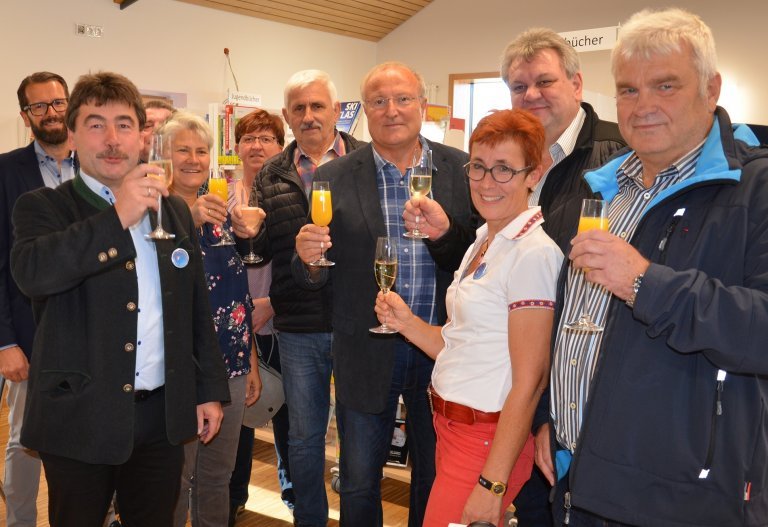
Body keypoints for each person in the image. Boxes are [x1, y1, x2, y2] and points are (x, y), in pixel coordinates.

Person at [542, 8, 768, 525]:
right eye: (627, 90)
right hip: (580, 479)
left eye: (665, 86)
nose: (642, 106)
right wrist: (551, 422)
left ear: (711, 89)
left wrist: (645, 283)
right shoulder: (606, 188)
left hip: (682, 500)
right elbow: (578, 324)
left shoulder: (756, 190)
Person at [10, 71, 230, 527]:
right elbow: (35, 274)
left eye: (124, 125)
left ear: (142, 136)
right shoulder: (43, 207)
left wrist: (207, 391)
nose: (112, 139)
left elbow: (194, 309)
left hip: (159, 419)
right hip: (78, 419)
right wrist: (117, 216)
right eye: (95, 124)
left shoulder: (172, 210)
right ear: (71, 135)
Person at [294, 61, 475, 526]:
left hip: (440, 347)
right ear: (363, 110)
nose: (391, 110)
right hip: (365, 348)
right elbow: (316, 272)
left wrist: (443, 235)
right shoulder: (334, 175)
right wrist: (308, 260)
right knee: (358, 479)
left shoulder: (459, 168)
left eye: (402, 99)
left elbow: (474, 259)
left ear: (421, 104)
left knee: (433, 476)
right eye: (379, 101)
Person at [375, 109, 562, 527]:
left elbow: (530, 382)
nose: (485, 182)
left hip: (486, 441)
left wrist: (492, 484)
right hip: (453, 431)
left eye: (503, 170)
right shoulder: (485, 238)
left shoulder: (533, 254)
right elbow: (461, 343)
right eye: (477, 167)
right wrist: (406, 322)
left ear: (533, 174)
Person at [250, 69, 364, 527]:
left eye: (318, 106)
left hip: (357, 322)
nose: (309, 116)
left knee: (359, 434)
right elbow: (260, 255)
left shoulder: (364, 161)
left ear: (337, 111)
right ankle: (310, 520)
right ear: (287, 116)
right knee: (304, 437)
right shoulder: (271, 174)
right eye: (299, 108)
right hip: (298, 327)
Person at [161, 111, 261, 527]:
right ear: (163, 157)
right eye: (181, 149)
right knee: (174, 477)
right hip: (178, 368)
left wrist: (251, 360)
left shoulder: (222, 219)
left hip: (231, 365)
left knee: (218, 475)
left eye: (201, 150)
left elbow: (238, 294)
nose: (193, 158)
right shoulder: (154, 217)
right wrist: (188, 217)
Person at [0, 71, 72, 527]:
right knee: (23, 440)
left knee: (87, 434)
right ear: (26, 116)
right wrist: (5, 341)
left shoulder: (98, 164)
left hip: (90, 329)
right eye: (39, 106)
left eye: (59, 102)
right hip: (28, 332)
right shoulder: (6, 171)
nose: (51, 113)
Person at [227, 108, 291, 525]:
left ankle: (294, 498)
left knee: (291, 419)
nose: (257, 146)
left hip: (281, 323)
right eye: (249, 138)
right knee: (238, 422)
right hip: (235, 328)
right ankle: (233, 500)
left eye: (267, 138)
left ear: (280, 147)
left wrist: (271, 303)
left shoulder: (290, 193)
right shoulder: (218, 197)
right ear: (235, 148)